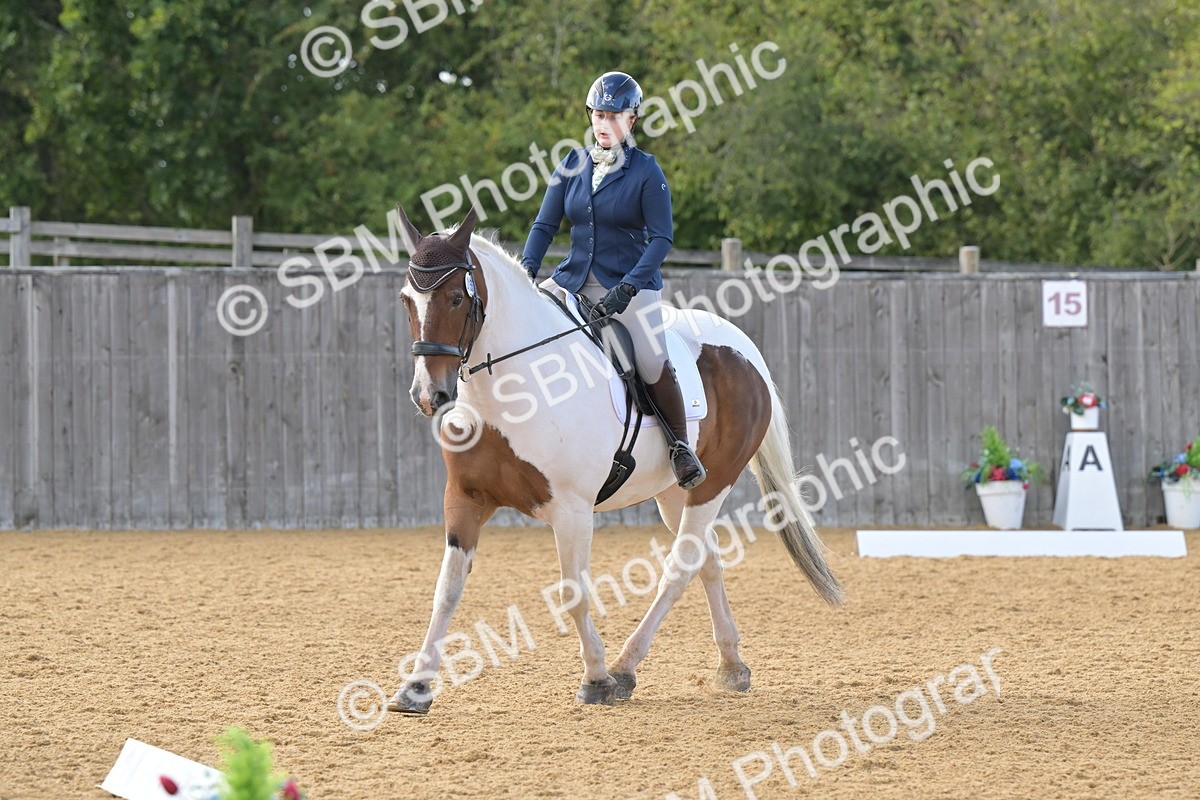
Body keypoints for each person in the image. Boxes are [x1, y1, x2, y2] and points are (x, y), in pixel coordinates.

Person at [522, 71, 705, 490]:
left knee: (650, 360)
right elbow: (544, 225)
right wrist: (526, 271)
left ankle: (680, 447)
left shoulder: (646, 171)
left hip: (629, 285)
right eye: (599, 115)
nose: (604, 124)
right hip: (571, 279)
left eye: (614, 116)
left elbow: (662, 239)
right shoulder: (571, 164)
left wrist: (628, 288)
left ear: (632, 120)